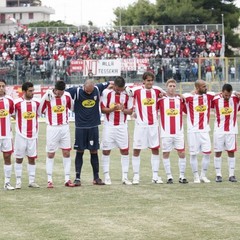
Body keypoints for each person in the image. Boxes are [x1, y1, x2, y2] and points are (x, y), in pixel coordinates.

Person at [66, 79, 110, 186]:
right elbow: (62, 91)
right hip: (80, 127)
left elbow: (110, 83)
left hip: (93, 126)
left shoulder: (97, 89)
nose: (89, 93)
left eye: (91, 91)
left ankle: (96, 177)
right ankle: (77, 178)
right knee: (79, 151)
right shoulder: (75, 91)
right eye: (87, 91)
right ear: (83, 87)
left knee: (94, 151)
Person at [125, 71, 165, 184]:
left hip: (153, 125)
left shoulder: (157, 90)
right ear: (144, 81)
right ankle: (136, 176)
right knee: (137, 149)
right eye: (148, 80)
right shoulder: (137, 90)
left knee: (155, 149)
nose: (150, 82)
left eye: (151, 80)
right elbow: (127, 90)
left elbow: (165, 94)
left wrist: (162, 95)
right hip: (141, 125)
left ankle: (155, 176)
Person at [40, 80, 75, 188]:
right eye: (58, 92)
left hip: (64, 127)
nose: (60, 94)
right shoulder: (48, 95)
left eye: (62, 92)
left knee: (67, 153)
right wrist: (45, 98)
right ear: (55, 89)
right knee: (51, 154)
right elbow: (40, 110)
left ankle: (67, 179)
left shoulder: (67, 96)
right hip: (52, 128)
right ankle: (49, 180)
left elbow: (72, 108)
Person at [101, 77, 133, 185]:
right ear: (114, 85)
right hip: (109, 126)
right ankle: (106, 176)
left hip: (122, 126)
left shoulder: (127, 95)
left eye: (121, 89)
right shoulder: (106, 93)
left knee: (125, 151)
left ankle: (125, 177)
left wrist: (123, 109)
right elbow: (102, 109)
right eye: (117, 89)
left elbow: (130, 111)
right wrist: (112, 109)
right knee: (106, 150)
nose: (119, 91)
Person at [183, 79, 214, 183]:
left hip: (205, 130)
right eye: (203, 86)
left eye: (205, 86)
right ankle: (196, 176)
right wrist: (191, 92)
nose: (206, 88)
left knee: (207, 153)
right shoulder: (189, 97)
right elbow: (180, 96)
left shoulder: (208, 96)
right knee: (193, 154)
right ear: (197, 88)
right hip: (193, 131)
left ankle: (203, 175)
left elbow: (221, 94)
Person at [158, 79, 188, 184]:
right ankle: (169, 176)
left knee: (182, 153)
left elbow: (186, 111)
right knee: (166, 153)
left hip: (178, 132)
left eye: (174, 86)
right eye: (170, 86)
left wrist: (183, 97)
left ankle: (182, 176)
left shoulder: (180, 100)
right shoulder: (160, 100)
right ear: (166, 87)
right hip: (166, 132)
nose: (172, 88)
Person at [14, 82, 40, 189]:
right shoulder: (17, 103)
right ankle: (18, 181)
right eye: (30, 91)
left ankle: (31, 181)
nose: (32, 92)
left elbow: (39, 113)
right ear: (24, 91)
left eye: (33, 90)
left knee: (32, 158)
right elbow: (11, 114)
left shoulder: (36, 103)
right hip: (21, 135)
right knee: (19, 158)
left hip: (33, 135)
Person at [211, 83, 240, 182]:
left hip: (231, 130)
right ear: (222, 92)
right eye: (225, 95)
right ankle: (218, 175)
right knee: (218, 152)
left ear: (231, 93)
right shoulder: (215, 100)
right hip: (219, 130)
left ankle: (231, 175)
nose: (227, 97)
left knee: (231, 151)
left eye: (229, 95)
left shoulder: (236, 99)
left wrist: (237, 93)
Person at [0, 79, 15, 190]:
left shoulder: (9, 100)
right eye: (0, 86)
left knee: (7, 157)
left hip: (7, 135)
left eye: (3, 86)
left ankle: (7, 183)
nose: (1, 88)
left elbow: (14, 114)